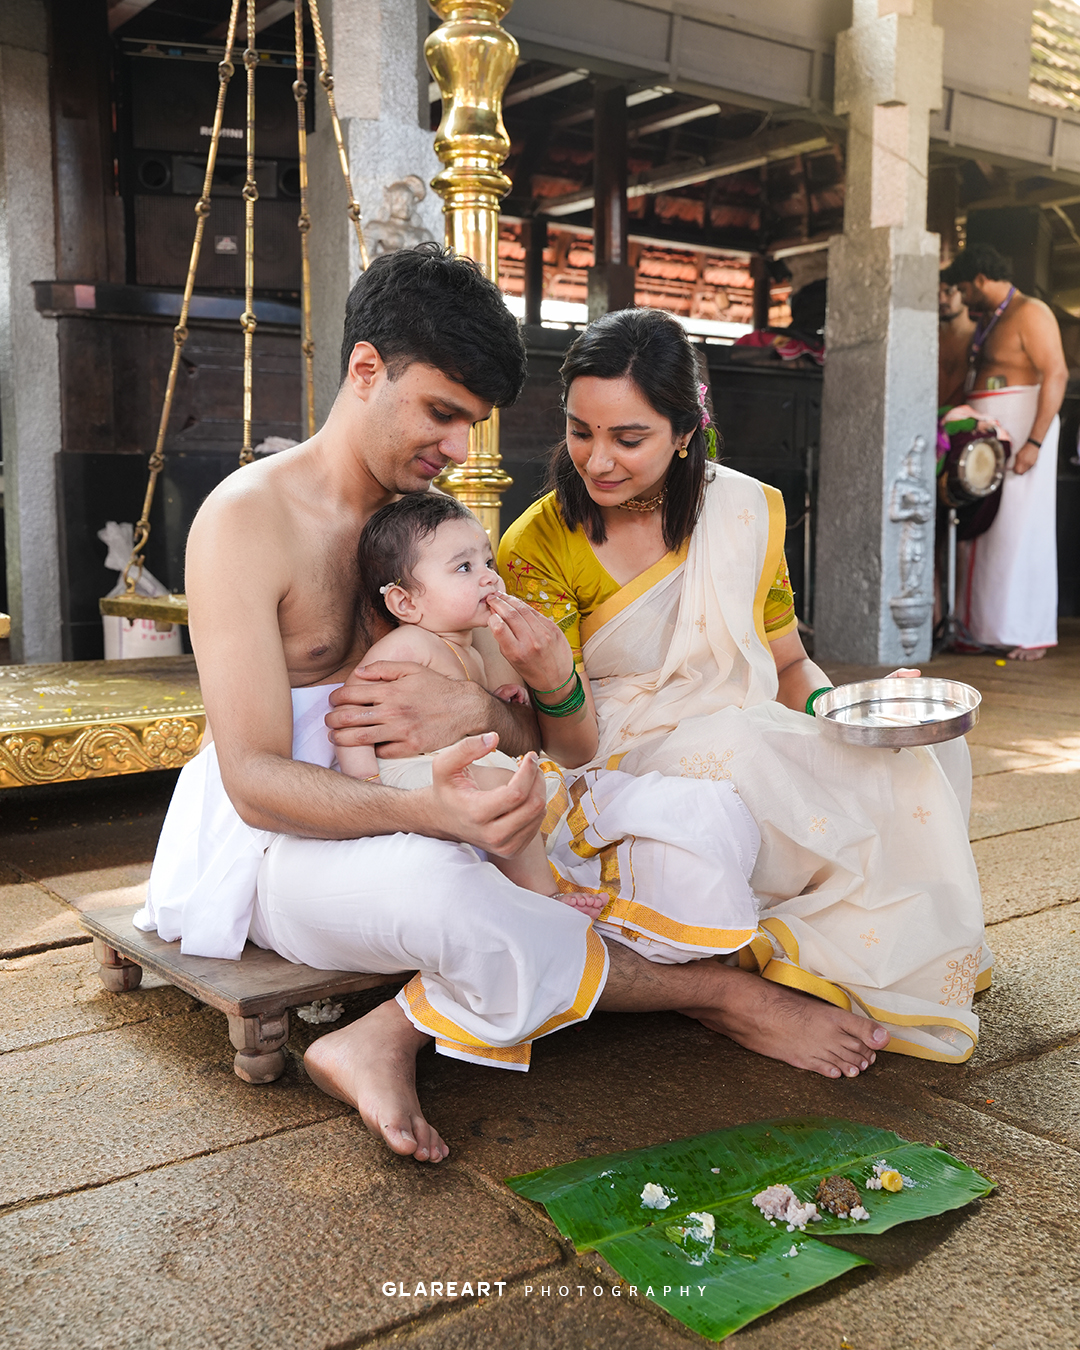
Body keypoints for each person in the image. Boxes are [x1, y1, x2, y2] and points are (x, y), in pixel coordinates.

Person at [139, 245, 890, 1168]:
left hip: (458, 801)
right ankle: (714, 995)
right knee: (442, 890)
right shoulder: (247, 521)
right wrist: (426, 810)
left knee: (690, 814)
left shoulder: (441, 531)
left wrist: (509, 702)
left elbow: (551, 744)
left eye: (473, 423)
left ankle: (382, 1033)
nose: (459, 449)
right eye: (444, 414)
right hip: (288, 839)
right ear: (366, 369)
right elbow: (254, 781)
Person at [499, 306, 990, 1067]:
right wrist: (551, 682)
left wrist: (844, 712)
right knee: (753, 752)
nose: (598, 460)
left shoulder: (748, 511)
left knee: (913, 756)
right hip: (615, 748)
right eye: (579, 430)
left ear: (686, 431)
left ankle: (841, 955)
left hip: (744, 717)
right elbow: (569, 743)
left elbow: (788, 663)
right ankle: (765, 972)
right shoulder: (538, 542)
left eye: (629, 439)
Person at [338, 491, 602, 917]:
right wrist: (365, 788)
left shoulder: (473, 647)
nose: (490, 579)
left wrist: (500, 698)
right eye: (465, 567)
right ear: (406, 602)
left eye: (489, 563)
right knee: (503, 786)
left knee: (526, 779)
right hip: (401, 775)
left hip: (447, 764)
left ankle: (521, 882)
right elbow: (350, 719)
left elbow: (466, 714)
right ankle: (542, 897)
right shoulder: (408, 645)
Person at [942, 244, 1067, 660]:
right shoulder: (988, 319)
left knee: (1020, 532)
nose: (962, 297)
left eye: (964, 288)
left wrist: (1034, 441)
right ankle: (983, 629)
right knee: (984, 532)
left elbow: (1057, 373)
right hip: (990, 431)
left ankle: (1028, 633)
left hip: (1025, 428)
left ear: (980, 279)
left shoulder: (1031, 311)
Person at [938, 276, 976, 408]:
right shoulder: (923, 338)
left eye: (949, 292)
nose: (941, 300)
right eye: (936, 293)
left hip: (966, 422)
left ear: (964, 293)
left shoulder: (982, 336)